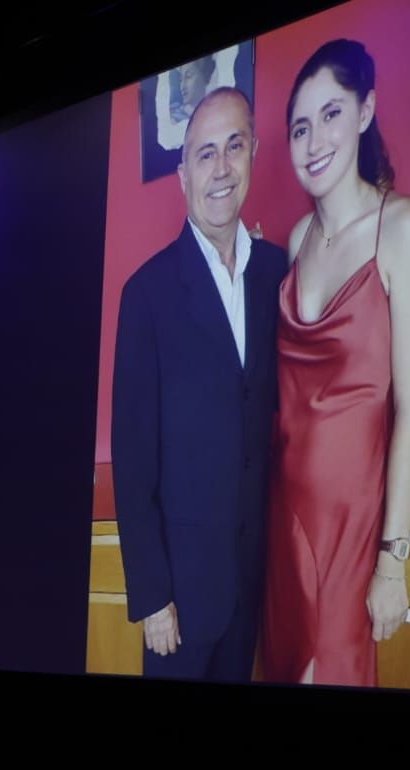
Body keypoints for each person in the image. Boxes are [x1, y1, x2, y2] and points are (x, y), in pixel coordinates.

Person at [263, 39, 410, 686]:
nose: (313, 141)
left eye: (330, 114)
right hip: (284, 519)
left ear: (365, 111)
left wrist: (392, 559)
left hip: (351, 523)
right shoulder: (293, 242)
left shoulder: (403, 227)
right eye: (299, 127)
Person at [112, 87, 285, 681]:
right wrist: (153, 596)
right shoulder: (146, 295)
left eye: (233, 146)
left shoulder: (275, 274)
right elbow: (132, 464)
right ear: (182, 173)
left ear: (253, 153)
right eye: (204, 153)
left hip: (249, 583)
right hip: (179, 602)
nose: (220, 167)